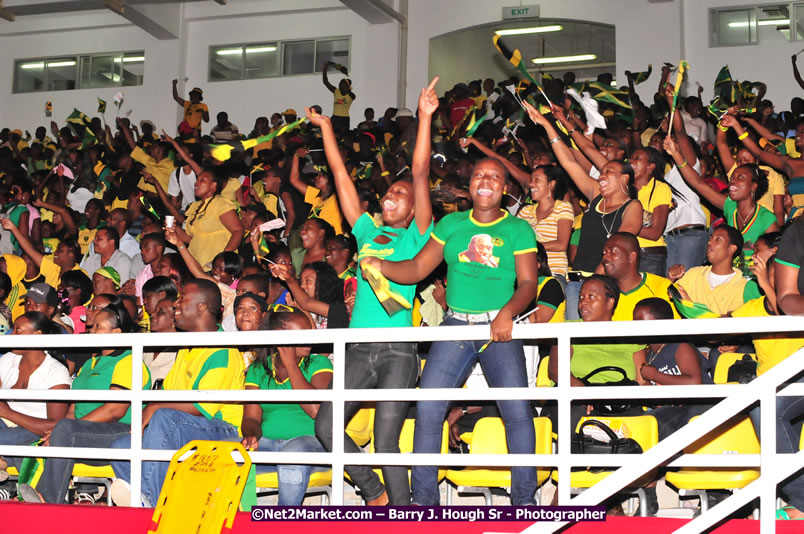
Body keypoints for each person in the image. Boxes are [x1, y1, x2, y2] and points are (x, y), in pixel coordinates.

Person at [366, 155, 541, 508]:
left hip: (498, 328)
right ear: (470, 185)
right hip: (456, 326)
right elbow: (417, 268)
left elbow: (527, 284)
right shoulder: (451, 224)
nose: (486, 180)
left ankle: (525, 503)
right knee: (428, 411)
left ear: (505, 188)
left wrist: (506, 314)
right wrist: (381, 264)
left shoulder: (518, 229)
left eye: (494, 176)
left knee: (518, 413)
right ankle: (425, 503)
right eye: (479, 174)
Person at [313, 78, 438, 506]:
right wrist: (328, 130)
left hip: (398, 349)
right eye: (388, 192)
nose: (391, 196)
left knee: (387, 439)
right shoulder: (367, 231)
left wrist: (424, 118)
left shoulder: (419, 236)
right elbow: (342, 179)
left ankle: (403, 517)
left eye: (400, 195)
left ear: (415, 208)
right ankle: (374, 492)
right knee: (326, 427)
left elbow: (419, 172)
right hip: (356, 347)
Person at [110, 279, 244, 507]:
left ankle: (155, 502)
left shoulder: (222, 350)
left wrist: (154, 408)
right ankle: (149, 498)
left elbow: (202, 407)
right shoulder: (187, 346)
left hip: (222, 429)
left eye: (183, 299)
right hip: (183, 424)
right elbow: (166, 395)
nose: (176, 305)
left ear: (202, 307)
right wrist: (154, 408)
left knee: (162, 417)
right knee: (121, 447)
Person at [18, 305, 150, 505]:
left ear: (116, 332)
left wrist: (66, 430)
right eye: (92, 326)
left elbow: (114, 410)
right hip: (83, 433)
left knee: (63, 430)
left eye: (98, 326)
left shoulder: (129, 361)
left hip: (120, 432)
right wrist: (59, 431)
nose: (91, 330)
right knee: (43, 435)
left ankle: (48, 499)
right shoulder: (89, 363)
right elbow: (73, 410)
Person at [523, 102, 643, 320]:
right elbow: (568, 162)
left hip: (604, 284)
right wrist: (547, 124)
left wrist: (594, 281)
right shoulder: (595, 193)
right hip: (576, 282)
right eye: (602, 172)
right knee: (574, 344)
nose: (602, 175)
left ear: (625, 178)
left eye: (608, 172)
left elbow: (620, 244)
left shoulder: (632, 206)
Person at [238, 308, 332, 504]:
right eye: (303, 333)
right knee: (224, 451)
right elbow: (251, 417)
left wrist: (291, 365)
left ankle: (283, 522)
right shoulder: (259, 369)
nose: (311, 338)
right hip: (269, 446)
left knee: (293, 451)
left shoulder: (318, 363)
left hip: (312, 446)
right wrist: (251, 434)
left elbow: (317, 410)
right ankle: (242, 520)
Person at [547, 275, 647, 428]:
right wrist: (582, 393)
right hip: (576, 394)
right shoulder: (567, 329)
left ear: (610, 302)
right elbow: (556, 370)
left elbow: (642, 381)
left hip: (618, 399)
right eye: (581, 297)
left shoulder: (629, 334)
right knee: (571, 415)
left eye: (591, 297)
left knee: (641, 421)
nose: (583, 302)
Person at [665, 133, 779, 263]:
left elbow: (774, 260)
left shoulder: (767, 218)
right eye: (732, 178)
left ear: (754, 186)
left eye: (740, 178)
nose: (732, 182)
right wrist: (675, 154)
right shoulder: (730, 207)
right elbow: (698, 183)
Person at [0, 313, 70, 480]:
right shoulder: (8, 360)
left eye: (18, 330)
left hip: (35, 431)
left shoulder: (56, 371)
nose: (12, 335)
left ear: (37, 335)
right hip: (6, 426)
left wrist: (8, 413)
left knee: (10, 440)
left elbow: (55, 426)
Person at [668, 225, 761, 316]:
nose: (709, 242)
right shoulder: (693, 274)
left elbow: (729, 324)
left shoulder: (742, 286)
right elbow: (667, 296)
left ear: (731, 249)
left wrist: (690, 305)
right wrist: (670, 278)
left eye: (718, 239)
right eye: (710, 238)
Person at [161, 169, 243, 269]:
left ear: (214, 185)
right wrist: (175, 228)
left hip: (216, 267)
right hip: (196, 265)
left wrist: (223, 258)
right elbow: (190, 239)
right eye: (197, 180)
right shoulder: (194, 207)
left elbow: (237, 230)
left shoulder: (220, 203)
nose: (197, 183)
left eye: (202, 180)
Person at [516, 165, 573, 286]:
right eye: (531, 180)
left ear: (551, 184)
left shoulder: (562, 207)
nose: (531, 184)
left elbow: (561, 244)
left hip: (553, 273)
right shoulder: (525, 211)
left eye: (537, 180)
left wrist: (529, 247)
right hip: (526, 273)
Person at [601, 233, 676, 321]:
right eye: (604, 252)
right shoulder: (603, 293)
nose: (605, 257)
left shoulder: (662, 287)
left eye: (613, 251)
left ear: (631, 256)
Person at [322, 62, 355, 133]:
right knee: (332, 134)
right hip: (335, 118)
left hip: (344, 118)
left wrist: (348, 90)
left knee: (344, 134)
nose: (340, 85)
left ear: (347, 86)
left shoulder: (350, 95)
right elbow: (325, 82)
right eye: (340, 84)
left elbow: (353, 96)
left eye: (343, 84)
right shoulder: (336, 91)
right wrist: (325, 69)